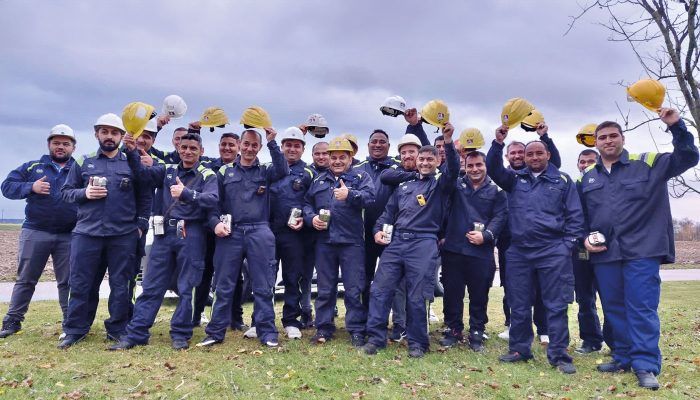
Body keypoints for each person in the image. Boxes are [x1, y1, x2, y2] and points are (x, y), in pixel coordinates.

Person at [581, 110, 698, 390]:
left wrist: (676, 125)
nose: (608, 141)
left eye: (613, 136)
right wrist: (584, 240)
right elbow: (582, 217)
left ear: (622, 138)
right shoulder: (588, 177)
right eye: (602, 137)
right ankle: (622, 356)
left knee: (642, 308)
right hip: (606, 254)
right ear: (595, 143)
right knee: (613, 308)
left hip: (642, 251)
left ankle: (645, 365)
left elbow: (688, 156)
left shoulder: (648, 163)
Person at [486, 125, 584, 374]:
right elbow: (494, 169)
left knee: (556, 304)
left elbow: (575, 216)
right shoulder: (514, 180)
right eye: (530, 155)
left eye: (539, 153)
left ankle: (559, 354)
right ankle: (519, 349)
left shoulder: (562, 180)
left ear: (548, 155)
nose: (534, 158)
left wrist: (567, 246)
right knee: (519, 303)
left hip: (553, 250)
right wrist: (497, 144)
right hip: (519, 251)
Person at [110, 133, 219, 350]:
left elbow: (213, 199)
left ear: (201, 151)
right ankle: (137, 333)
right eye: (184, 147)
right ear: (178, 147)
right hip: (164, 233)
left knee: (188, 286)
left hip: (192, 233)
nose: (188, 151)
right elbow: (142, 175)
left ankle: (180, 333)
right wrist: (131, 152)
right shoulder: (167, 170)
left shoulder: (208, 175)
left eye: (193, 148)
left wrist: (187, 193)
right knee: (152, 284)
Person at [362, 123, 458, 358]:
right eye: (421, 159)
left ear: (436, 162)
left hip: (424, 242)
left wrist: (447, 141)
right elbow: (387, 213)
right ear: (416, 161)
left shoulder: (441, 185)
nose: (424, 163)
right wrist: (377, 230)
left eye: (429, 159)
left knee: (417, 295)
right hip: (396, 242)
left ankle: (417, 343)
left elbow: (453, 169)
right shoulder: (404, 185)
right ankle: (375, 338)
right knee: (380, 289)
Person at [58, 113, 150, 349]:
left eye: (114, 132)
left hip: (123, 235)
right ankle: (75, 329)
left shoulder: (131, 160)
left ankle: (118, 329)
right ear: (96, 133)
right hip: (87, 233)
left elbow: (145, 195)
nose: (109, 136)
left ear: (121, 136)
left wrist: (140, 226)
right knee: (81, 284)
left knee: (122, 285)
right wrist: (84, 194)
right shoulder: (83, 161)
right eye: (104, 132)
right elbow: (66, 192)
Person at [198, 127, 288, 348]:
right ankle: (215, 332)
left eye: (254, 145)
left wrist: (272, 142)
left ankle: (267, 333)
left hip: (260, 231)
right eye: (245, 144)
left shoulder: (266, 171)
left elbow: (283, 169)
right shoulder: (224, 172)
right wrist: (215, 223)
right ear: (239, 145)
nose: (249, 148)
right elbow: (212, 204)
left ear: (259, 148)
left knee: (263, 284)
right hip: (231, 232)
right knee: (223, 284)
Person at [0, 125, 78, 338]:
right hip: (36, 231)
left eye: (65, 143)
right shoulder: (32, 167)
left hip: (69, 234)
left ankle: (70, 323)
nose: (60, 147)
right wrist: (30, 187)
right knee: (26, 278)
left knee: (68, 281)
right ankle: (12, 321)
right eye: (56, 143)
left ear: (73, 147)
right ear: (49, 144)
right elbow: (6, 186)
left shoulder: (80, 169)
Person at [304, 137, 374, 347]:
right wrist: (311, 218)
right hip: (324, 242)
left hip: (351, 242)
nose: (336, 161)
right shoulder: (318, 180)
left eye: (342, 157)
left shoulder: (361, 177)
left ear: (350, 158)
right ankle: (323, 327)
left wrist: (350, 194)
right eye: (333, 157)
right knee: (325, 289)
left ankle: (356, 330)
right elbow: (306, 204)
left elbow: (371, 198)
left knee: (354, 288)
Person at [439, 151, 507, 351]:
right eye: (470, 166)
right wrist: (442, 234)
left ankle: (477, 330)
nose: (475, 169)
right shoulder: (456, 185)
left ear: (486, 166)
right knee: (452, 292)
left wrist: (486, 236)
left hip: (481, 251)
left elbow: (501, 216)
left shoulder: (497, 190)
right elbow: (444, 209)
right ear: (465, 167)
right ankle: (454, 329)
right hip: (453, 249)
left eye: (479, 165)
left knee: (479, 293)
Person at [495, 139, 552, 344]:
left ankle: (543, 327)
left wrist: (545, 138)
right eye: (514, 153)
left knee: (540, 286)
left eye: (521, 152)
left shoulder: (540, 175)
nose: (518, 156)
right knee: (511, 286)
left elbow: (554, 161)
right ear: (507, 157)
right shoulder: (504, 178)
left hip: (538, 240)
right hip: (509, 241)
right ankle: (512, 325)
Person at [194, 133, 249, 331]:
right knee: (205, 272)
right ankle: (196, 316)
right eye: (223, 144)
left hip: (233, 231)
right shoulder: (209, 168)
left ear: (239, 147)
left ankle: (236, 319)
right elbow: (186, 151)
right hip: (209, 228)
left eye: (231, 145)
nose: (227, 148)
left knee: (235, 276)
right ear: (218, 146)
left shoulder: (244, 168)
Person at [270, 127, 315, 339]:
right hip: (269, 231)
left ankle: (291, 321)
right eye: (288, 144)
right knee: (266, 278)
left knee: (291, 278)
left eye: (297, 145)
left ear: (303, 149)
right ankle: (261, 321)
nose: (292, 149)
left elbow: (312, 203)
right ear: (281, 147)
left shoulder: (309, 173)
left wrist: (304, 220)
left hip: (294, 234)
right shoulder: (269, 168)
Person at [353, 130, 398, 307]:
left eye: (382, 142)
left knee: (391, 276)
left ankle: (394, 317)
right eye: (374, 141)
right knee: (364, 276)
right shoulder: (357, 168)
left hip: (390, 231)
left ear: (389, 145)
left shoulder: (397, 165)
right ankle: (365, 315)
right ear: (368, 144)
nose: (377, 145)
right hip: (363, 233)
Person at [572, 149, 608, 354]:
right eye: (582, 161)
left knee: (610, 297)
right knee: (584, 298)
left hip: (606, 249)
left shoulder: (607, 184)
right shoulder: (575, 186)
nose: (585, 165)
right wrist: (582, 239)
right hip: (581, 250)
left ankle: (616, 340)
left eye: (590, 161)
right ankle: (591, 340)